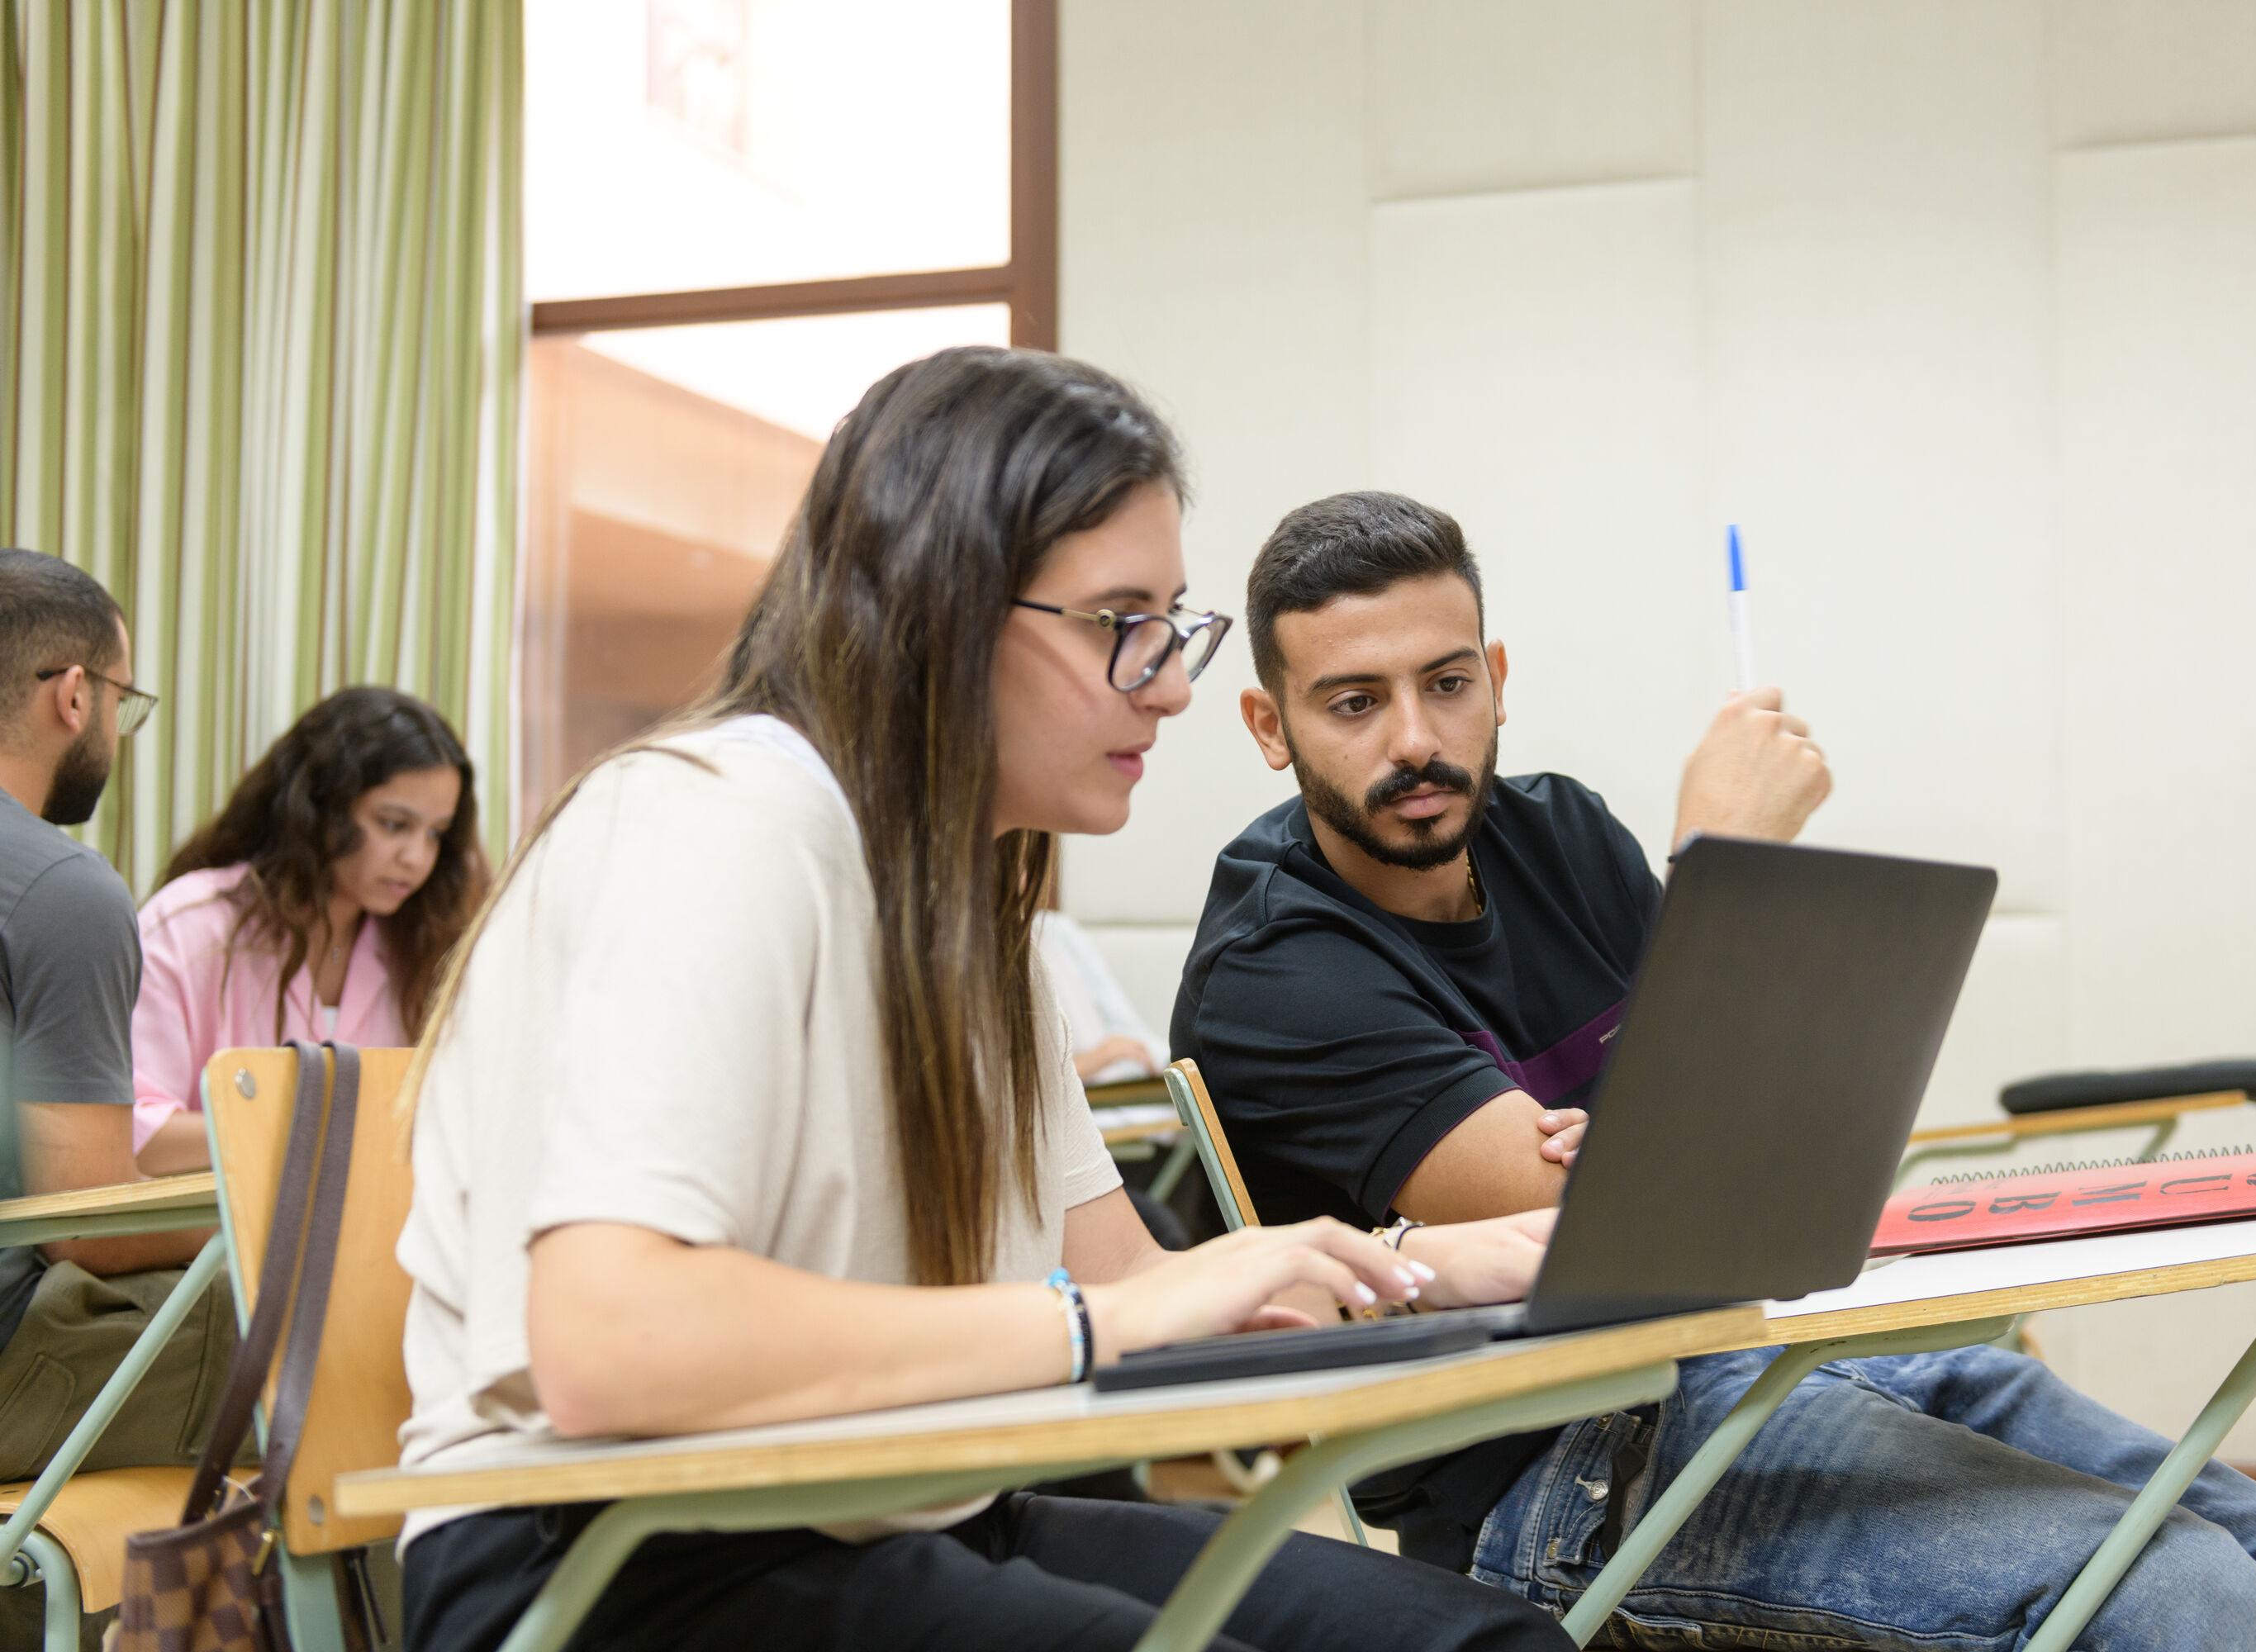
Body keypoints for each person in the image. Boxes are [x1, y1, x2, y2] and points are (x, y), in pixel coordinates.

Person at [394, 349, 1574, 1652]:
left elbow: (1135, 1291)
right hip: (612, 1554)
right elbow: (611, 1342)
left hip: (898, 1506)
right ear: (944, 608)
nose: (1170, 684)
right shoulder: (721, 819)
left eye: (1172, 624)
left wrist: (1410, 1268)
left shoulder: (973, 900)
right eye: (1123, 622)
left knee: (1488, 1644)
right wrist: (1106, 1317)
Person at [1171, 491, 2256, 1652]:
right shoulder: (1277, 969)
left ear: (1496, 681)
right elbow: (1635, 1215)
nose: (1417, 740)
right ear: (1269, 725)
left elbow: (1730, 1133)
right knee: (2180, 1596)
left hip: (1777, 1342)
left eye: (1447, 685)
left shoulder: (1559, 831)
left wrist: (1663, 1124)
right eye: (1353, 703)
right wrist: (1724, 866)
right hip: (1558, 1468)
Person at [0, 548, 234, 1488]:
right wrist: (286, 1209)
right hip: (18, 1362)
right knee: (351, 1339)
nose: (117, 728)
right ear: (72, 695)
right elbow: (84, 1227)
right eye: (124, 703)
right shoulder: (61, 887)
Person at [131, 686, 479, 1175]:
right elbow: (137, 1137)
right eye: (395, 824)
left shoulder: (424, 949)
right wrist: (304, 1121)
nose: (417, 858)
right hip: (204, 1247)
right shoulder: (190, 930)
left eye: (436, 834)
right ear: (320, 807)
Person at [1035, 908, 1171, 1084]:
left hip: (1121, 1080)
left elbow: (1121, 1021)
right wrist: (1092, 1060)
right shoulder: (994, 952)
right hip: (1079, 1095)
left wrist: (1164, 1061)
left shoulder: (1056, 930)